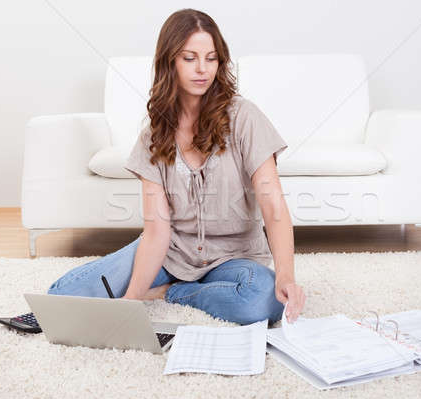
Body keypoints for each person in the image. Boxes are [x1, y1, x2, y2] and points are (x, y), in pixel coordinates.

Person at [47, 8, 306, 326]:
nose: (202, 69)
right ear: (170, 61)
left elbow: (273, 205)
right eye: (189, 58)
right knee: (62, 294)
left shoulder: (244, 117)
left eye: (211, 58)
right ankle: (172, 287)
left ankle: (172, 292)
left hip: (234, 258)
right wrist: (130, 302)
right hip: (172, 254)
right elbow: (157, 231)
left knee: (262, 300)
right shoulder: (152, 137)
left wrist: (286, 276)